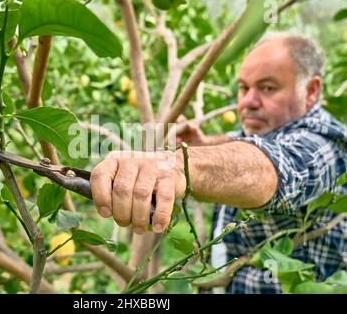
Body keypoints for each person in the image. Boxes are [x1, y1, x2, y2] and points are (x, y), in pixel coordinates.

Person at [89, 32, 347, 293]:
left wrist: (179, 165)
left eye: (268, 88)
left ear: (311, 90)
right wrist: (203, 144)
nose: (248, 102)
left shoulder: (326, 143)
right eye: (244, 87)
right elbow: (243, 143)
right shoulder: (266, 130)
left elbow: (276, 167)